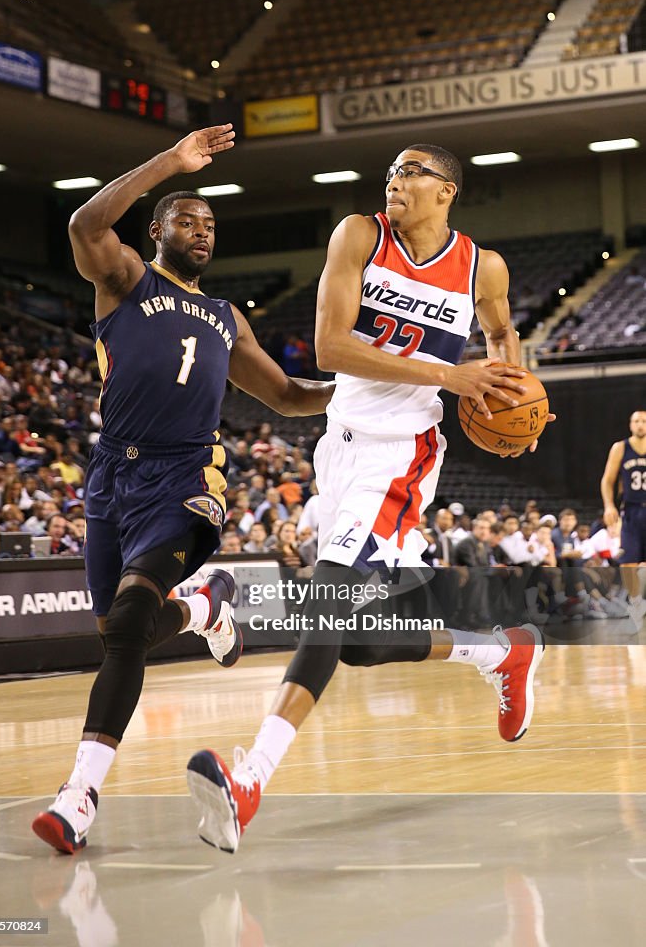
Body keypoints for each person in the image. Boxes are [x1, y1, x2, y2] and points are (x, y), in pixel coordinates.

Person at [188, 142, 552, 852]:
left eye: (411, 173)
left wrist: (516, 401)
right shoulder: (359, 234)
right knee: (357, 646)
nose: (395, 181)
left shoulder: (483, 265)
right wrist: (449, 376)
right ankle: (498, 653)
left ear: (446, 191)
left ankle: (250, 778)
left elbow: (501, 331)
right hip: (341, 446)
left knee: (324, 607)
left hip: (401, 456)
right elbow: (328, 347)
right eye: (390, 171)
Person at [32, 125, 334, 854]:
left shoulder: (227, 316)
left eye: (209, 224)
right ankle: (203, 604)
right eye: (186, 220)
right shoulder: (125, 280)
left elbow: (291, 396)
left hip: (187, 476)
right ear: (156, 230)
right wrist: (171, 161)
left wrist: (368, 386)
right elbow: (84, 222)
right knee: (119, 634)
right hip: (113, 478)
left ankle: (79, 795)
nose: (201, 231)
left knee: (131, 619)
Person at [601, 411, 646, 613]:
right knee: (628, 563)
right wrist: (609, 505)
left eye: (644, 421)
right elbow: (607, 480)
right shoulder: (620, 448)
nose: (640, 425)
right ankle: (636, 603)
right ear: (630, 425)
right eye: (636, 421)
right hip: (631, 510)